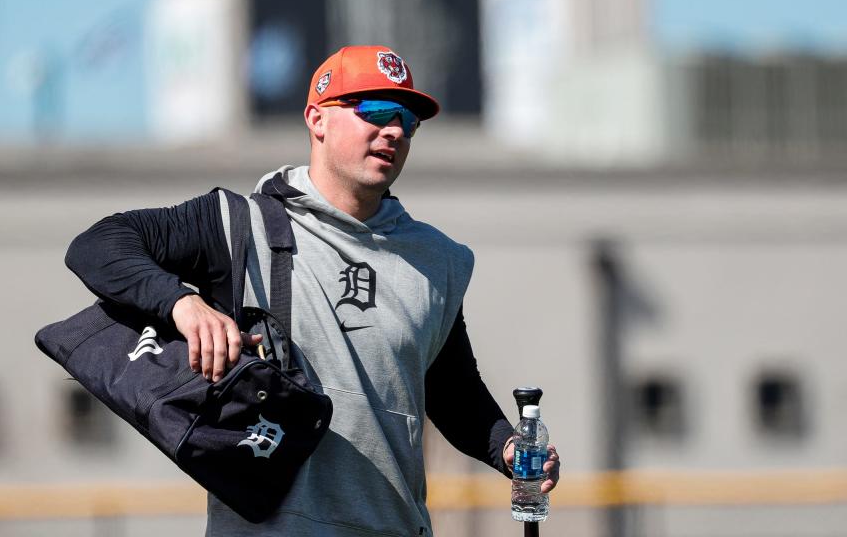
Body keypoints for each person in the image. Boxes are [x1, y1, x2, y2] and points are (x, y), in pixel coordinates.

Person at [65, 45, 560, 536]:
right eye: (374, 111)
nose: (393, 130)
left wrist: (509, 448)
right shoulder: (237, 224)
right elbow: (98, 245)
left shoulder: (436, 260)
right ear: (317, 119)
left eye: (407, 120)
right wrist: (183, 305)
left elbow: (453, 391)